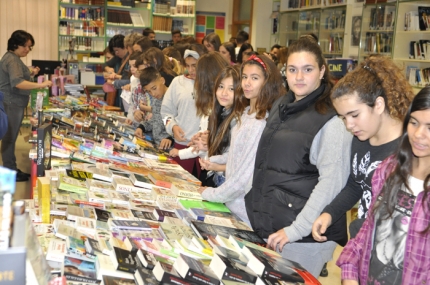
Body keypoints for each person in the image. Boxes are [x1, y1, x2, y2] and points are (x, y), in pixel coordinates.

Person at [244, 36, 353, 278]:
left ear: (322, 71)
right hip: (274, 227)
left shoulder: (331, 118)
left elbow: (332, 184)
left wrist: (295, 230)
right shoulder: (282, 104)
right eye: (293, 70)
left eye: (308, 69)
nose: (299, 77)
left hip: (304, 238)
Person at [312, 55, 414, 241]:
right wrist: (330, 213)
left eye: (354, 115)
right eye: (343, 118)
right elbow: (356, 184)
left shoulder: (408, 149)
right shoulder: (360, 138)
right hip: (362, 243)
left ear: (378, 105)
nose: (349, 125)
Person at [337, 88, 430, 285]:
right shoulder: (388, 168)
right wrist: (349, 273)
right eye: (414, 122)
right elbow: (367, 231)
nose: (419, 134)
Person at [199, 54, 284, 225]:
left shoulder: (260, 122)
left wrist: (208, 193)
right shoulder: (245, 114)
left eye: (254, 78)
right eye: (244, 77)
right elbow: (236, 154)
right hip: (231, 203)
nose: (246, 83)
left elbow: (243, 179)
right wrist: (215, 159)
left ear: (267, 82)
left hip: (244, 212)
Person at [0, 30, 52, 182]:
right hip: (11, 103)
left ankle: (11, 168)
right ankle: (10, 171)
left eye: (30, 47)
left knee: (11, 137)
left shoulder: (12, 58)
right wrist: (40, 84)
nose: (28, 50)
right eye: (26, 46)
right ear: (16, 45)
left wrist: (31, 73)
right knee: (9, 138)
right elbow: (18, 82)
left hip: (12, 102)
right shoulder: (12, 60)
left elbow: (17, 77)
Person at [169, 52, 228, 178]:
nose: (193, 74)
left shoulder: (226, 109)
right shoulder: (209, 104)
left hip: (220, 174)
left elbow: (228, 150)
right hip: (212, 170)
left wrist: (209, 143)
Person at [200, 65, 248, 187]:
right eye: (221, 87)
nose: (224, 93)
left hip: (229, 183)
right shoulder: (219, 113)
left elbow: (238, 160)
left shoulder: (240, 119)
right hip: (216, 177)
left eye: (231, 89)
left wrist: (217, 166)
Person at [160, 48, 202, 174]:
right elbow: (165, 112)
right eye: (188, 66)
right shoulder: (177, 82)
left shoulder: (211, 83)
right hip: (181, 145)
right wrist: (172, 127)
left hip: (203, 150)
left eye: (195, 65)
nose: (191, 70)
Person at [134, 67, 173, 150]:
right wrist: (142, 127)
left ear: (162, 81)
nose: (153, 93)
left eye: (154, 88)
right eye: (148, 91)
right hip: (157, 145)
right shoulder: (156, 99)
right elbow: (156, 120)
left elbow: (181, 126)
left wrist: (171, 138)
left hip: (171, 148)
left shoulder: (174, 99)